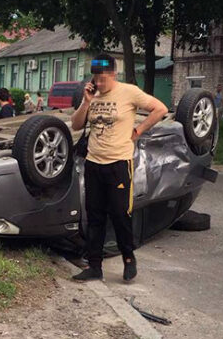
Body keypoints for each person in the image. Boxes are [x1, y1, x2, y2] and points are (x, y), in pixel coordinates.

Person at [70, 53, 169, 283]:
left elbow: (160, 109)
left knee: (120, 214)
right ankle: (95, 266)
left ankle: (128, 258)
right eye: (95, 78)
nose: (99, 83)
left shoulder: (129, 92)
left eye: (103, 78)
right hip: (94, 163)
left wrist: (138, 131)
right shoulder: (91, 95)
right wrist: (86, 101)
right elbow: (76, 125)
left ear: (114, 74)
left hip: (118, 164)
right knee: (94, 217)